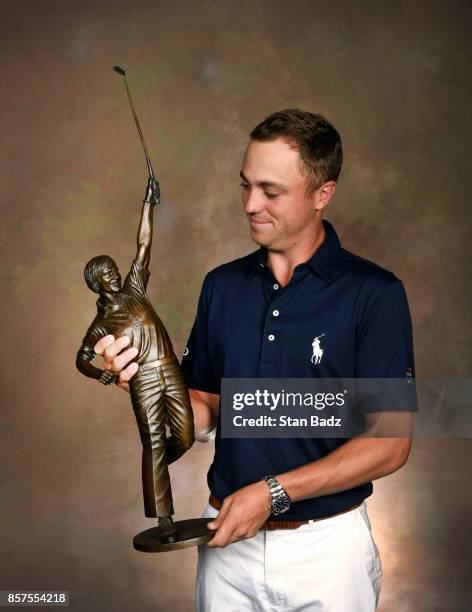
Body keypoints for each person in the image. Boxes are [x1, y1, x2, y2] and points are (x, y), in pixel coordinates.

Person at [94, 109, 416, 610]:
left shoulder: (375, 294)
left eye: (270, 191)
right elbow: (205, 408)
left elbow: (389, 445)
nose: (249, 204)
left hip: (326, 554)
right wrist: (143, 381)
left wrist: (271, 492)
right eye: (245, 185)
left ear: (322, 194)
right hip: (225, 545)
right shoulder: (221, 286)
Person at [76, 177, 194, 543]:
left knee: (185, 436)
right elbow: (81, 357)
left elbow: (143, 245)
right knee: (154, 443)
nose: (111, 271)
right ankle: (165, 518)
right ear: (96, 283)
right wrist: (100, 375)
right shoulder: (101, 323)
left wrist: (149, 203)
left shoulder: (135, 288)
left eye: (111, 266)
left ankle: (154, 473)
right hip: (141, 380)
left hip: (170, 368)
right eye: (103, 271)